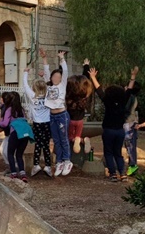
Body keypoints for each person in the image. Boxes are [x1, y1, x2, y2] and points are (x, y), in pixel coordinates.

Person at [89, 67, 132, 182]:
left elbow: (99, 90)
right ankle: (122, 173)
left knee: (108, 152)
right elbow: (129, 90)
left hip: (108, 130)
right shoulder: (123, 101)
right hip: (119, 131)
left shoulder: (107, 101)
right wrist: (133, 77)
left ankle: (113, 173)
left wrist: (93, 77)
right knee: (118, 153)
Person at [42, 48, 72, 176]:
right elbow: (46, 71)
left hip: (61, 115)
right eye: (54, 76)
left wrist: (62, 59)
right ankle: (59, 161)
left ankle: (67, 160)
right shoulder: (49, 86)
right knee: (55, 139)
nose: (56, 78)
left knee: (63, 138)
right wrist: (44, 58)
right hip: (52, 116)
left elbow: (65, 71)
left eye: (58, 76)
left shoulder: (62, 85)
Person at [0, 91, 32, 181]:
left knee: (10, 153)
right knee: (19, 154)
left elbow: (4, 124)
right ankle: (23, 174)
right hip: (25, 133)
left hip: (15, 132)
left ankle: (13, 173)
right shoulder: (22, 110)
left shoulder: (9, 109)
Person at [23, 67, 53, 177]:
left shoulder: (32, 96)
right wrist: (44, 76)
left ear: (34, 88)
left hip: (37, 124)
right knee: (46, 145)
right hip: (47, 123)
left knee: (37, 145)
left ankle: (36, 165)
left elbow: (25, 85)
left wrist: (25, 73)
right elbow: (49, 83)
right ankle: (48, 166)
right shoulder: (48, 95)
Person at [66, 59, 94, 154]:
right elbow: (85, 79)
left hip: (70, 120)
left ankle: (79, 140)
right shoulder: (83, 98)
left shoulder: (69, 97)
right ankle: (82, 139)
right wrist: (86, 66)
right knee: (76, 135)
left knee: (70, 137)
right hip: (80, 120)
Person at [124, 67, 141, 176]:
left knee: (129, 145)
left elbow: (126, 110)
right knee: (130, 145)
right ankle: (132, 165)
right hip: (131, 122)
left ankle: (133, 165)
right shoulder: (133, 98)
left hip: (128, 123)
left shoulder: (130, 97)